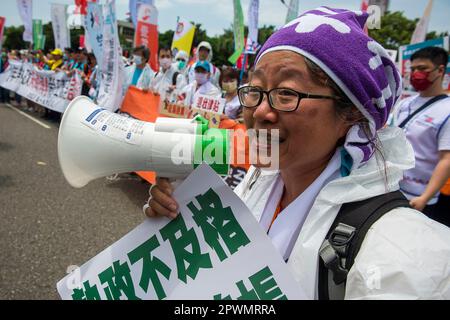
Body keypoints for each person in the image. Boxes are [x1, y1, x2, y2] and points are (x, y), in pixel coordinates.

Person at [143, 7, 450, 299]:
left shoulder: (400, 253)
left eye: (286, 94)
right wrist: (178, 219)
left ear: (352, 115)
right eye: (254, 89)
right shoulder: (259, 179)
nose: (261, 111)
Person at [390, 46, 450, 227]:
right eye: (413, 69)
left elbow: (446, 159)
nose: (416, 74)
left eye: (423, 69)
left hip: (420, 199)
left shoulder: (447, 110)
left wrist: (424, 198)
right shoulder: (405, 103)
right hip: (393, 190)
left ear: (440, 70)